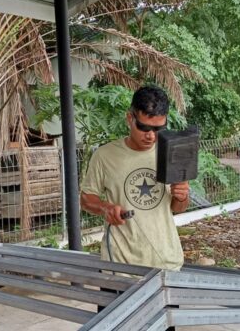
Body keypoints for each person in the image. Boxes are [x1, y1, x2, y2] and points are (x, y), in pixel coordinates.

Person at [80, 85, 190, 271]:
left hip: (166, 263)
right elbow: (86, 199)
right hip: (119, 266)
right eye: (143, 127)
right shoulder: (105, 155)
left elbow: (178, 208)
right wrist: (105, 208)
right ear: (130, 118)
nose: (151, 136)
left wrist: (182, 196)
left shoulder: (172, 153)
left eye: (158, 129)